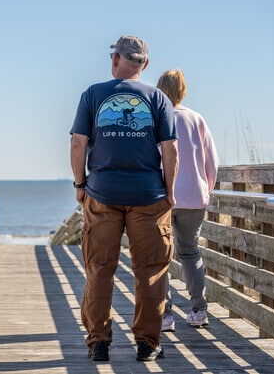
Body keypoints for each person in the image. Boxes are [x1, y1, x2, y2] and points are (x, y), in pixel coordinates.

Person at [70, 35, 178, 362]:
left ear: (115, 59)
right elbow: (170, 149)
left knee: (100, 269)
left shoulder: (92, 95)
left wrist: (80, 183)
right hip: (148, 197)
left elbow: (78, 144)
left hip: (102, 194)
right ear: (144, 64)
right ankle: (147, 344)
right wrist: (170, 190)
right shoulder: (158, 98)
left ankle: (99, 343)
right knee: (150, 271)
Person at [156, 69, 218, 332]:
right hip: (194, 197)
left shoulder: (157, 118)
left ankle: (165, 315)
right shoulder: (196, 118)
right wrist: (205, 189)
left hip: (163, 197)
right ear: (183, 90)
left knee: (161, 256)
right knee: (191, 252)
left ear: (160, 89)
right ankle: (199, 310)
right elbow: (212, 163)